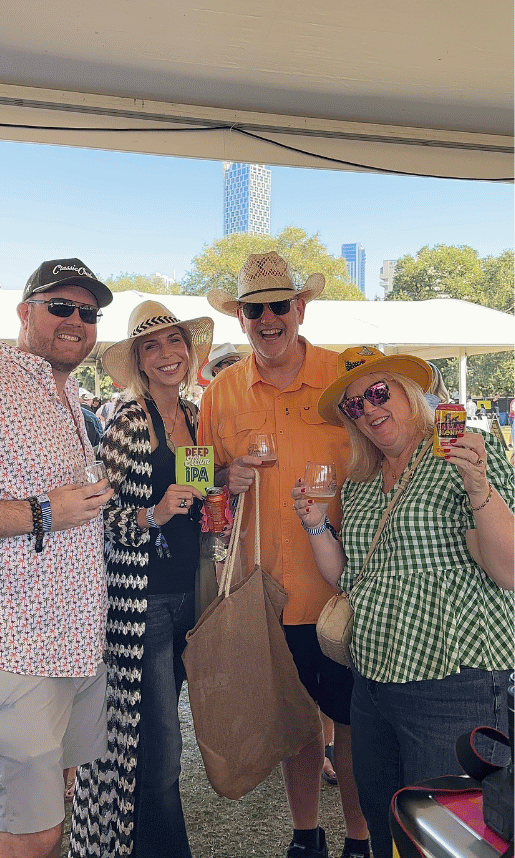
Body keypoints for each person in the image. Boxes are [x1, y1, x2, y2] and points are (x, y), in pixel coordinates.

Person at [291, 346, 513, 858]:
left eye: (377, 393)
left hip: (455, 681)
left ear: (410, 394)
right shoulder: (361, 482)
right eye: (354, 405)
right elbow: (351, 578)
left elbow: (509, 571)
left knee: (453, 841)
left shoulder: (462, 456)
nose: (368, 409)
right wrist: (316, 525)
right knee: (387, 824)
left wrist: (478, 484)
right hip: (374, 682)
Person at [198, 251, 370, 858]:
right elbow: (198, 484)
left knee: (352, 727)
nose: (268, 318)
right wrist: (224, 474)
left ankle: (359, 837)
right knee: (296, 727)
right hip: (266, 593)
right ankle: (305, 836)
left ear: (300, 307)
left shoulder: (347, 376)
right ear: (240, 319)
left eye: (278, 304)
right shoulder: (221, 392)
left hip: (348, 591)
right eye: (254, 309)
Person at [0, 257, 116, 858]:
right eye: (61, 306)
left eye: (88, 312)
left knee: (56, 802)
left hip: (77, 640)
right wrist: (43, 511)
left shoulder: (66, 397)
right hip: (18, 646)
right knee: (32, 832)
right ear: (24, 311)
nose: (76, 321)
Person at [69, 301, 212, 858]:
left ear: (188, 350)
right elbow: (102, 519)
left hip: (189, 595)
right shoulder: (128, 424)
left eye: (174, 342)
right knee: (159, 749)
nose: (167, 354)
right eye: (152, 346)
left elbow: (200, 490)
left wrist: (226, 485)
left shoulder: (196, 417)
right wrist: (154, 514)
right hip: (141, 602)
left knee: (150, 738)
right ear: (138, 361)